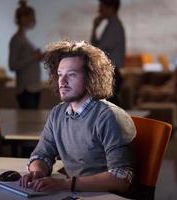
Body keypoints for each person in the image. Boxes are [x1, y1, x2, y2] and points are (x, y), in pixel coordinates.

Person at [20, 40, 137, 196]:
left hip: (103, 196)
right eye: (60, 75)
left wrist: (65, 184)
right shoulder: (58, 113)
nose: (62, 82)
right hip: (73, 193)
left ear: (91, 78)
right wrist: (37, 171)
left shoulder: (109, 116)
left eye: (72, 75)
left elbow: (120, 178)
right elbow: (41, 154)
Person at [9, 0, 43, 109]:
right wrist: (33, 57)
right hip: (26, 89)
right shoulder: (16, 40)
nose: (33, 20)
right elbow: (12, 65)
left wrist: (37, 57)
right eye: (31, 17)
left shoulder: (25, 39)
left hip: (33, 88)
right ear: (23, 19)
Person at [90, 0, 125, 106]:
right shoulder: (112, 25)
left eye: (102, 7)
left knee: (111, 107)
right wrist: (95, 28)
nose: (99, 10)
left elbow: (96, 49)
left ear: (110, 8)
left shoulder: (114, 26)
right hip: (111, 72)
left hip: (111, 72)